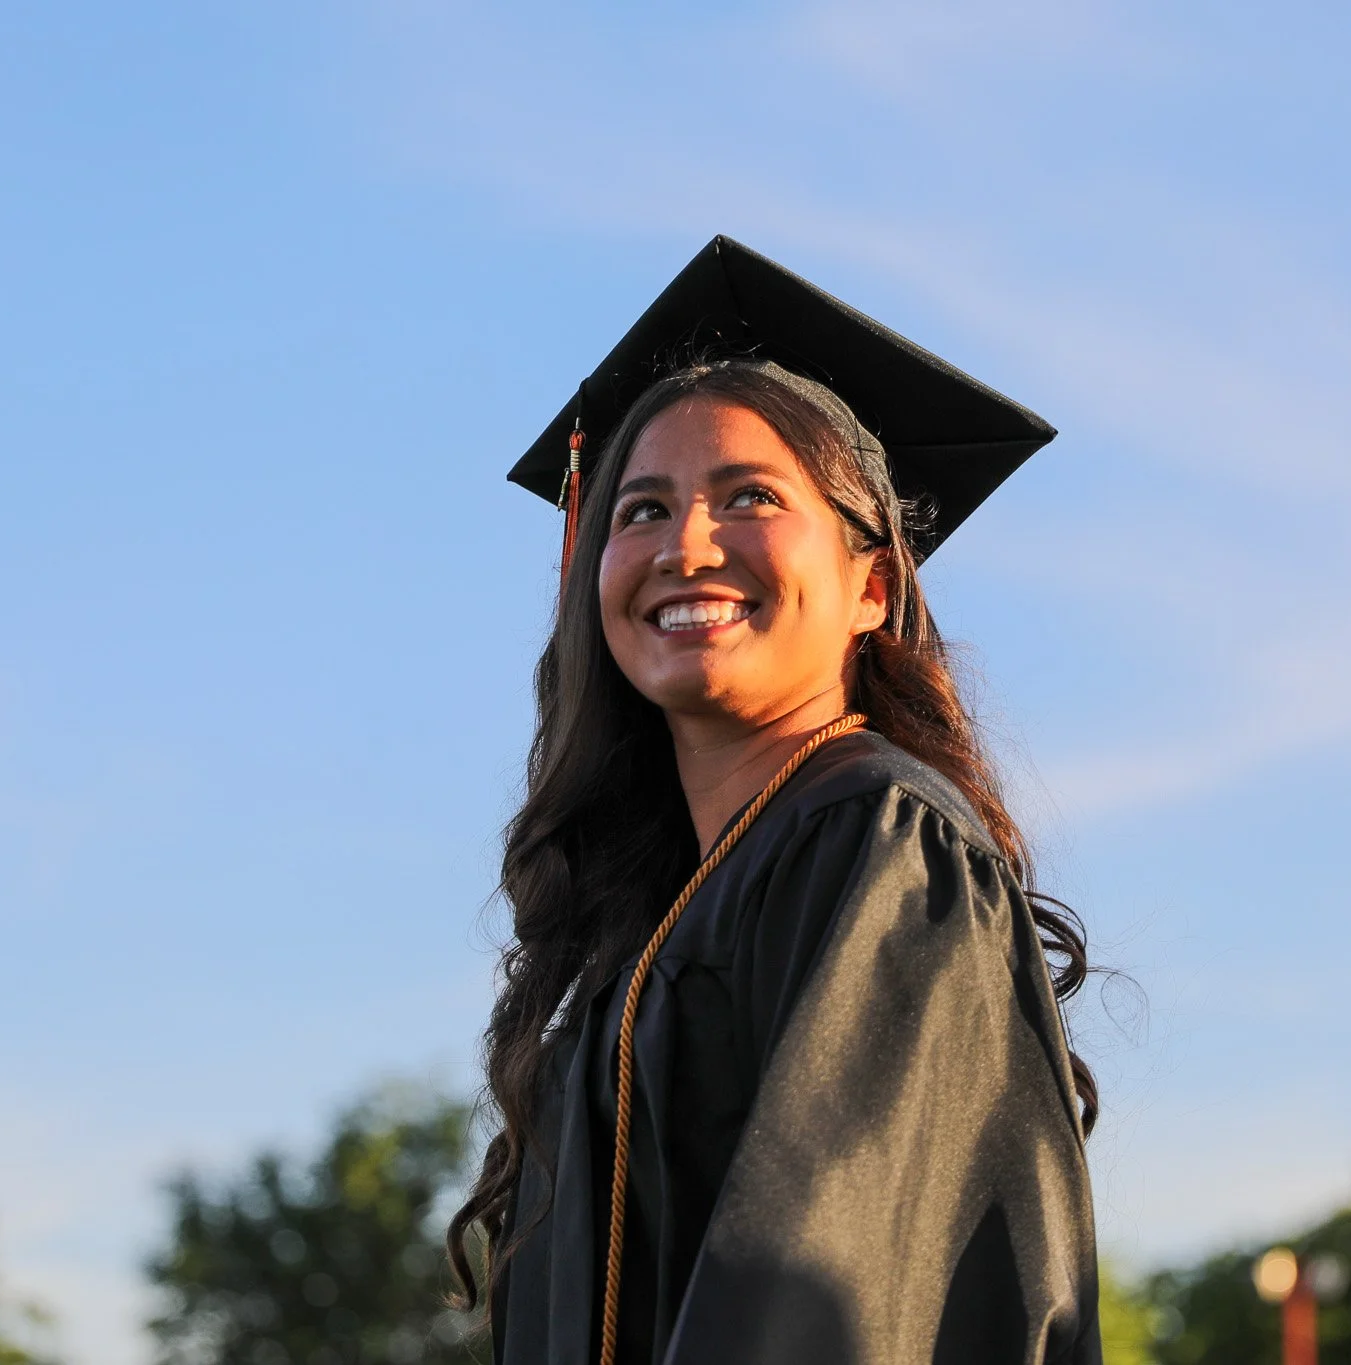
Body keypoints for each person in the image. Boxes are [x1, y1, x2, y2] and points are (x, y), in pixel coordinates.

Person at [445, 238, 1102, 1364]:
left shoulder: (880, 845)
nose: (684, 545)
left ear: (872, 585)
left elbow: (825, 1304)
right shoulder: (640, 942)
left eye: (748, 496)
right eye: (640, 510)